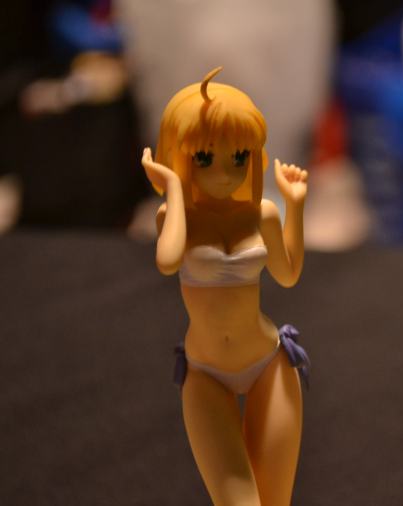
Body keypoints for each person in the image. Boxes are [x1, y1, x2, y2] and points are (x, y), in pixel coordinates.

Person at [141, 67, 309, 506]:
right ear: (179, 156)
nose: (225, 173)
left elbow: (288, 273)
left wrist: (295, 208)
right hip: (205, 372)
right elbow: (167, 260)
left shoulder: (262, 213)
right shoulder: (175, 218)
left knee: (275, 501)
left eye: (238, 157)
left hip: (269, 361)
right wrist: (173, 186)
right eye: (203, 158)